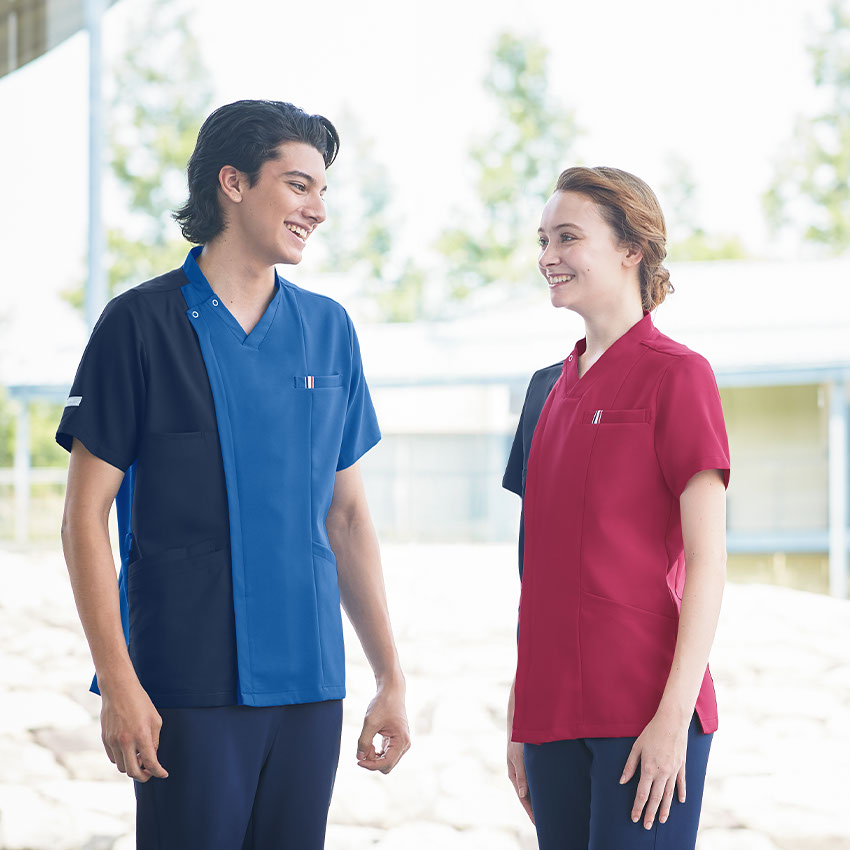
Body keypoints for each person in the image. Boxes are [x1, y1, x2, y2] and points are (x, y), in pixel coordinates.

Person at [56, 99, 410, 850]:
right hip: (186, 681)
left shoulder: (329, 329)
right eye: (298, 185)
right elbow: (84, 516)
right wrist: (117, 680)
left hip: (311, 683)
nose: (317, 209)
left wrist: (389, 676)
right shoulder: (138, 324)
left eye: (322, 191)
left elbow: (346, 517)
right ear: (234, 183)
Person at [502, 166, 729, 850]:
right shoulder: (543, 392)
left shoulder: (678, 374)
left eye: (567, 237)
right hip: (550, 716)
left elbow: (709, 562)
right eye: (543, 239)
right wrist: (520, 715)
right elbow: (536, 569)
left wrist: (672, 719)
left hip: (645, 710)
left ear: (632, 247)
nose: (548, 256)